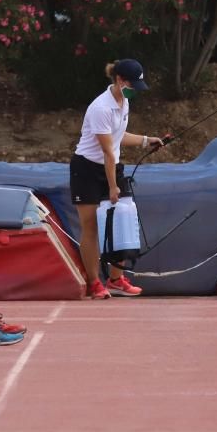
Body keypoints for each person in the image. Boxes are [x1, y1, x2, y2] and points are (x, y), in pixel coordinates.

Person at [70, 59, 165, 299]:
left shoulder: (124, 103)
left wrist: (146, 140)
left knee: (121, 219)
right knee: (90, 227)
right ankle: (94, 283)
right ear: (120, 80)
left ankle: (115, 279)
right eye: (132, 85)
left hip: (112, 166)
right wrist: (112, 187)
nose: (135, 90)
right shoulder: (100, 108)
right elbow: (107, 152)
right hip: (88, 169)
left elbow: (118, 137)